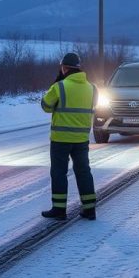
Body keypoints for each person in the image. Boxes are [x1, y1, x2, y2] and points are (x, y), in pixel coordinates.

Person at [40, 52, 98, 220]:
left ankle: (59, 210)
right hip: (81, 139)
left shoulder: (60, 87)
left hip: (60, 139)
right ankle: (89, 209)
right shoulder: (92, 88)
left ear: (64, 68)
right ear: (79, 68)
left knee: (59, 173)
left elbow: (45, 106)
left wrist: (55, 85)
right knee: (83, 172)